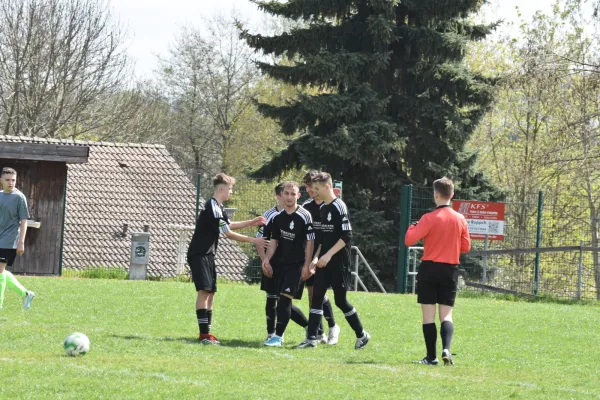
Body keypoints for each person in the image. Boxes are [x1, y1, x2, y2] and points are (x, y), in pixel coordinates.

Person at [187, 173, 268, 345]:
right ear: (221, 189)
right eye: (230, 189)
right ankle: (204, 335)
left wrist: (251, 222)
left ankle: (207, 334)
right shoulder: (212, 206)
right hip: (199, 254)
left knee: (211, 292)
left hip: (208, 254)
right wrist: (254, 240)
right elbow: (228, 233)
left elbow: (227, 224)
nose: (231, 192)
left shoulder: (218, 207)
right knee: (204, 291)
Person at [297, 172, 370, 349]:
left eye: (317, 189)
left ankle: (362, 335)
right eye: (313, 189)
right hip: (323, 263)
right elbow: (321, 239)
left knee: (340, 301)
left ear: (327, 187)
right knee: (316, 297)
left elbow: (347, 235)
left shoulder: (339, 206)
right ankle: (312, 338)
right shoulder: (323, 209)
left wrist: (329, 255)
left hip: (339, 263)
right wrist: (315, 258)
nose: (314, 192)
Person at [405, 177, 471, 366]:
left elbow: (409, 240)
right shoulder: (460, 219)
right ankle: (446, 349)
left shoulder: (429, 218)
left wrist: (413, 226)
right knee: (446, 315)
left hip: (429, 268)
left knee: (428, 316)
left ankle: (431, 357)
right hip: (450, 270)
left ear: (435, 194)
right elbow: (466, 247)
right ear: (452, 195)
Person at [256, 183, 310, 343]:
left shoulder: (303, 216)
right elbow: (263, 240)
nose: (287, 197)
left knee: (284, 300)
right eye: (285, 194)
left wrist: (309, 263)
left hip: (294, 265)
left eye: (291, 194)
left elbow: (311, 241)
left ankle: (304, 329)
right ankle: (272, 334)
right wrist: (264, 261)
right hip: (274, 263)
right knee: (272, 299)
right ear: (278, 196)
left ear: (297, 196)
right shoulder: (271, 216)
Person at [301, 170, 340, 345]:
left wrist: (321, 256)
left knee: (319, 293)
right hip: (310, 255)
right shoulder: (306, 207)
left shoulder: (330, 205)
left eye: (311, 187)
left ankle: (332, 326)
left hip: (325, 256)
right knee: (312, 294)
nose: (309, 191)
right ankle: (319, 332)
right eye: (307, 188)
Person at [0, 167, 35, 311]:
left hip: (10, 239)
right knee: (1, 272)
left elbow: (24, 221)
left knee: (0, 270)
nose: (11, 183)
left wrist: (21, 242)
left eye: (13, 180)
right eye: (7, 180)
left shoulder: (19, 197)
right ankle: (26, 294)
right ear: (1, 180)